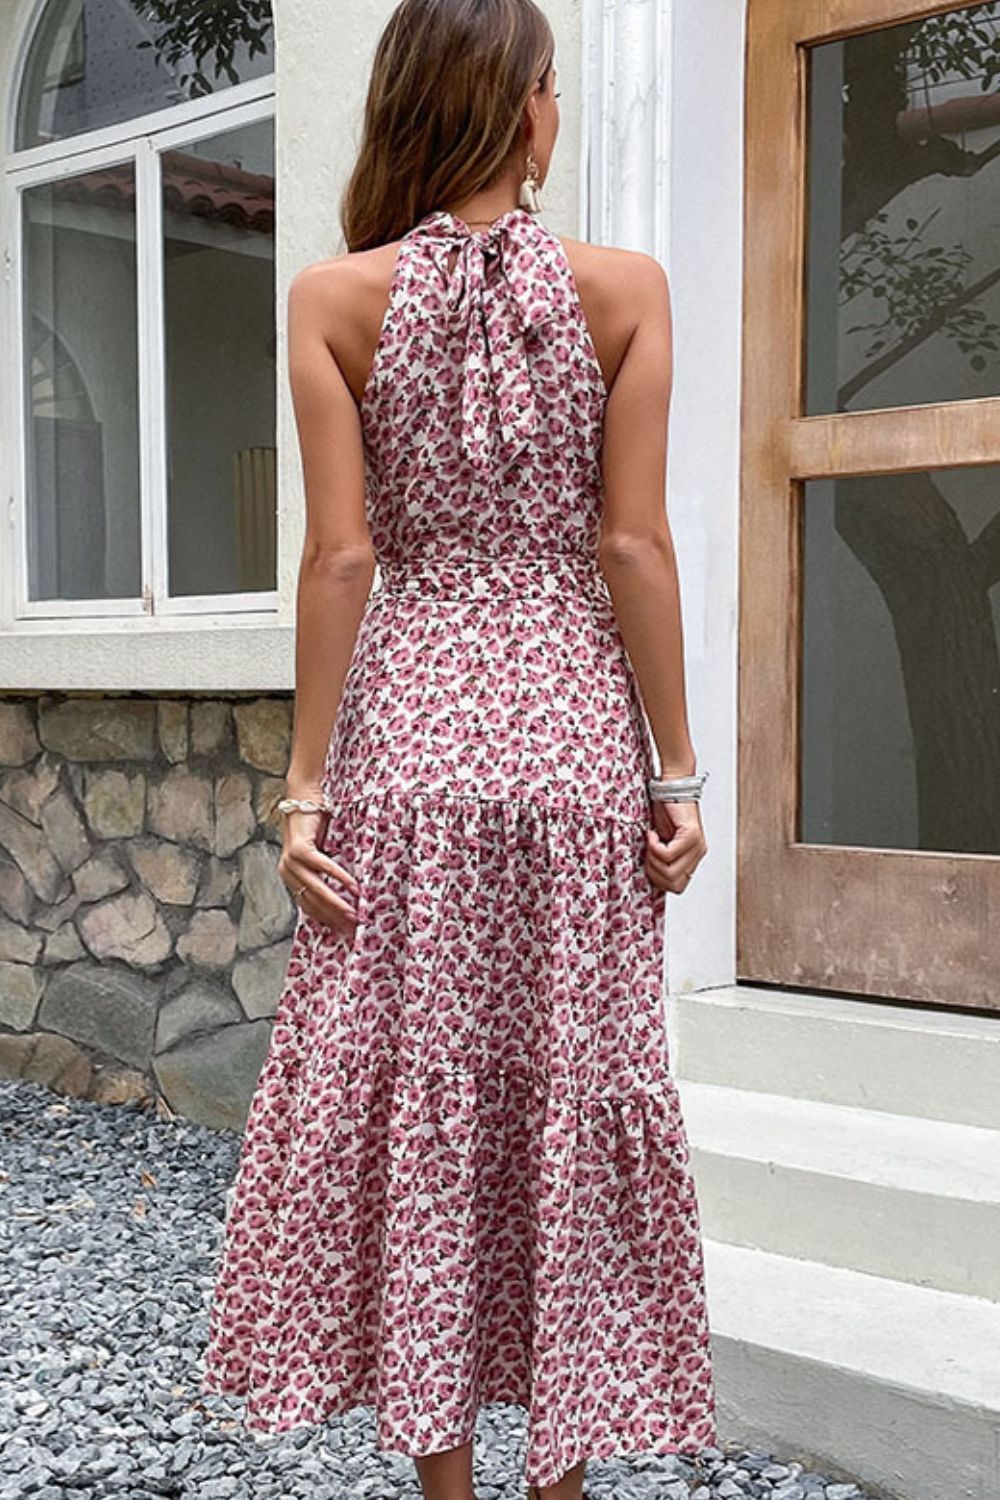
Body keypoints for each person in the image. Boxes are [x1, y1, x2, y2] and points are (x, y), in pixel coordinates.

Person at [201, 0, 717, 1496]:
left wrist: (304, 790)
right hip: (571, 748)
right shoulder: (626, 290)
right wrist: (677, 774)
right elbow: (633, 545)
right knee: (568, 1091)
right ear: (524, 108)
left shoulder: (331, 299)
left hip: (408, 751)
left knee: (420, 1098)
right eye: (551, 83)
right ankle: (561, 1474)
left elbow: (341, 559)